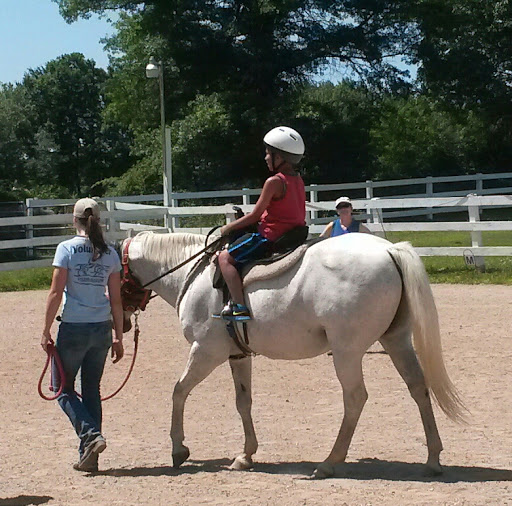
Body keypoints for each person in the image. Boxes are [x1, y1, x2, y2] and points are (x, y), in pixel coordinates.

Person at [40, 198, 124, 472]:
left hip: (74, 326)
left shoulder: (66, 249)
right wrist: (118, 336)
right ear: (98, 220)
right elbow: (116, 300)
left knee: (61, 390)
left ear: (74, 220)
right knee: (91, 391)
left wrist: (45, 330)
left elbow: (55, 293)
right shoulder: (110, 253)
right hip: (101, 327)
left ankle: (90, 436)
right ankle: (90, 458)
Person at [216, 126, 306, 321]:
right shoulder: (297, 179)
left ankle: (239, 306)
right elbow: (276, 209)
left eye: (269, 154)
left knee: (225, 258)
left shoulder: (274, 181)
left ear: (280, 156)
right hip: (292, 233)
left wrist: (228, 227)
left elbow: (255, 216)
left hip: (269, 236)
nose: (266, 158)